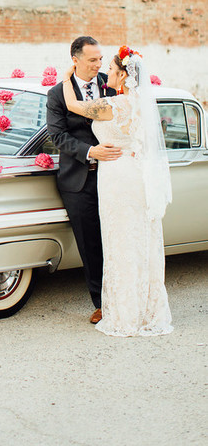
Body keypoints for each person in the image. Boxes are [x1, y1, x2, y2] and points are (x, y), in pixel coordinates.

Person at [62, 46, 173, 337]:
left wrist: (66, 78)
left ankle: (126, 314)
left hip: (118, 178)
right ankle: (147, 309)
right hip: (134, 175)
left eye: (110, 69)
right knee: (139, 243)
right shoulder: (139, 103)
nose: (105, 72)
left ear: (123, 75)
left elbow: (74, 106)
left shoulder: (116, 105)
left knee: (121, 244)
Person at [46, 36, 119, 323]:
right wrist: (91, 151)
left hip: (113, 176)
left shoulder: (111, 84)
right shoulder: (56, 94)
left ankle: (123, 296)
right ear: (75, 60)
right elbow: (58, 136)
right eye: (92, 60)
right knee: (90, 245)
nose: (98, 64)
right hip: (79, 180)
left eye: (101, 59)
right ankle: (101, 303)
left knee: (116, 240)